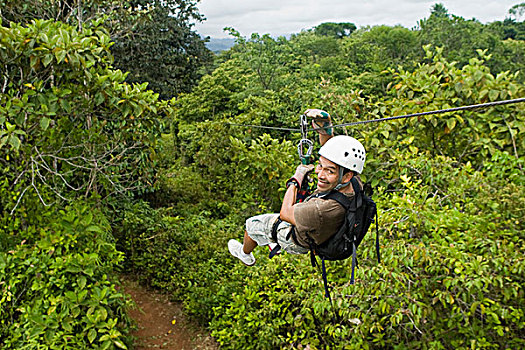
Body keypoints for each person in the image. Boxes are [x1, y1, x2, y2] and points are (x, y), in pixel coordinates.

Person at [228, 109, 366, 266]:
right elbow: (334, 153)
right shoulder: (353, 182)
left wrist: (295, 180)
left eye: (329, 171)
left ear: (346, 175)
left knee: (252, 225)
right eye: (320, 165)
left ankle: (245, 254)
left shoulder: (322, 209)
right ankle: (270, 240)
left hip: (296, 240)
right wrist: (325, 128)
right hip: (319, 228)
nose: (320, 174)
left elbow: (285, 213)